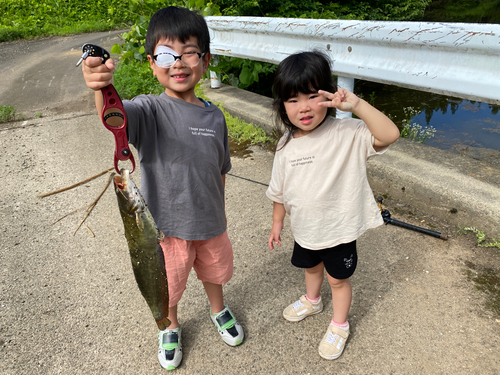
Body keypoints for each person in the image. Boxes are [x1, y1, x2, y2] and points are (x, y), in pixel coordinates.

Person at [81, 6, 244, 370]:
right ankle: (168, 325)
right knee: (168, 283)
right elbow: (115, 116)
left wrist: (221, 210)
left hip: (211, 223)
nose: (179, 63)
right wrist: (102, 86)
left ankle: (219, 310)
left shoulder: (215, 116)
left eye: (189, 52)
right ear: (153, 64)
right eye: (167, 55)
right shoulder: (149, 110)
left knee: (215, 272)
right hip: (166, 229)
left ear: (205, 59)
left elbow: (220, 169)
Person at [266, 50, 400, 360]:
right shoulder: (285, 144)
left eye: (313, 96)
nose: (305, 107)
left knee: (338, 280)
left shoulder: (348, 133)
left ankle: (340, 324)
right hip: (305, 230)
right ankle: (313, 300)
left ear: (328, 94)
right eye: (293, 100)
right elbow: (279, 191)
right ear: (282, 106)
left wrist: (356, 106)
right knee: (310, 268)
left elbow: (389, 134)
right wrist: (277, 223)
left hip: (339, 230)